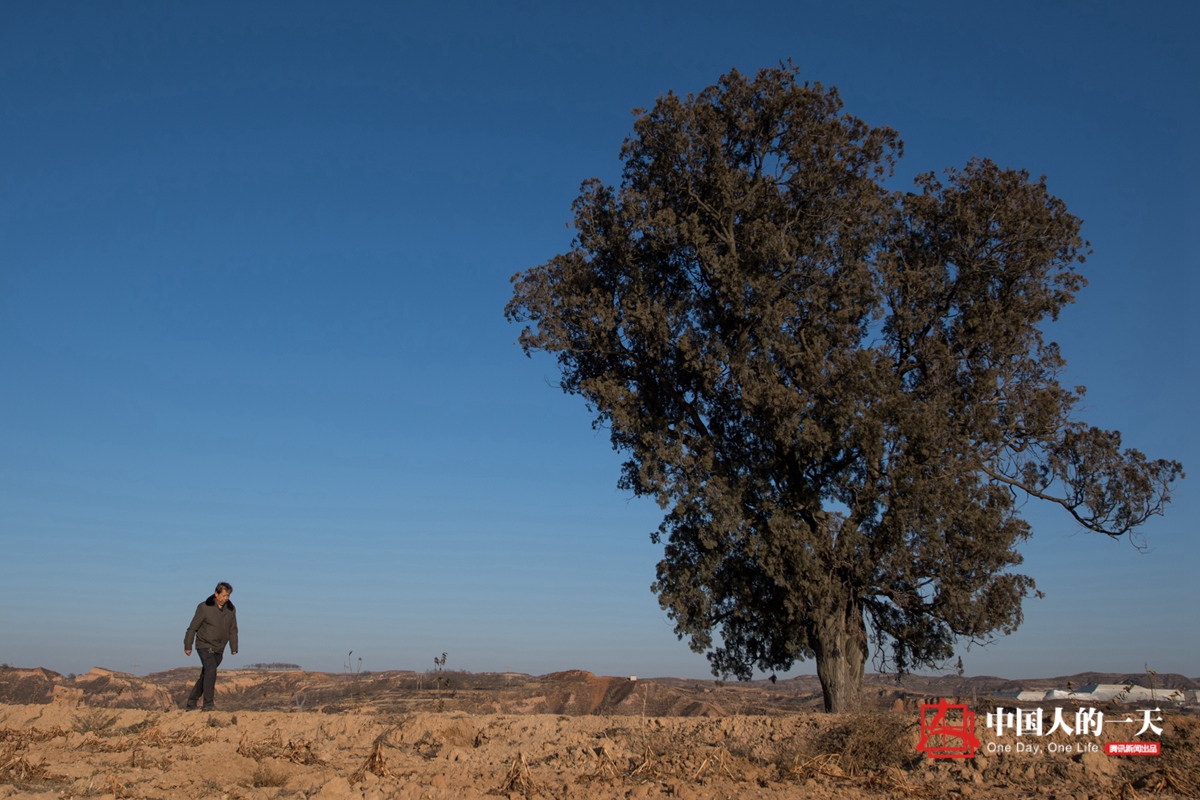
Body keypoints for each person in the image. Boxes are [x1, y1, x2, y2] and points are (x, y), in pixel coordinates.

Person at [183, 581, 238, 711]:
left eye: (228, 595)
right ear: (216, 594)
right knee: (211, 671)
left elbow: (233, 629)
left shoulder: (231, 609)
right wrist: (188, 645)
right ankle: (208, 704)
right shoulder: (204, 607)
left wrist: (234, 647)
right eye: (224, 595)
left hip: (219, 647)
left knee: (207, 675)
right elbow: (192, 628)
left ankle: (191, 703)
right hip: (204, 645)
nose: (226, 598)